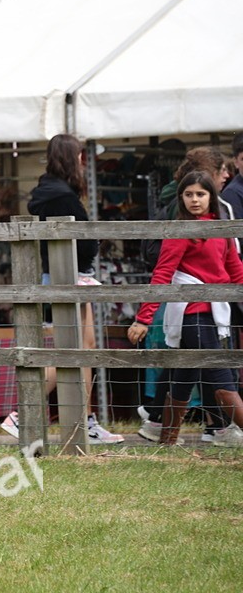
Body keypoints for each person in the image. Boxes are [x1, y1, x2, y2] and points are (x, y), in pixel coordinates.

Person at [0, 134, 125, 444]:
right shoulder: (61, 196)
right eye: (82, 156)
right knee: (69, 352)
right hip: (65, 277)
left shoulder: (54, 191)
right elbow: (75, 239)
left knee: (86, 349)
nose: (84, 161)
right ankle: (23, 413)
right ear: (75, 158)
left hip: (68, 276)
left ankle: (85, 422)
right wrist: (93, 246)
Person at [127, 171, 243, 447]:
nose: (194, 200)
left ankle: (162, 432)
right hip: (190, 313)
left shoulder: (221, 229)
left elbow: (234, 268)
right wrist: (143, 318)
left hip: (214, 312)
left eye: (200, 194)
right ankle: (216, 432)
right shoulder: (180, 230)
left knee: (186, 372)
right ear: (181, 198)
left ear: (211, 197)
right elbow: (163, 274)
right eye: (188, 194)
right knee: (220, 374)